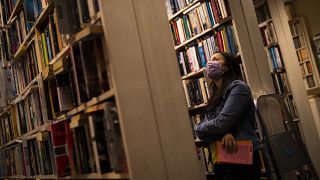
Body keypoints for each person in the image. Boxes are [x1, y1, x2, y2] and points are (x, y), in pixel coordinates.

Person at [195, 52, 262, 180]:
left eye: (215, 59)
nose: (210, 63)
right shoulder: (215, 95)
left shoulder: (238, 87)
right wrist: (222, 133)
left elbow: (221, 122)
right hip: (221, 158)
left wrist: (203, 128)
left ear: (226, 66)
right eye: (209, 60)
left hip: (241, 160)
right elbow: (203, 131)